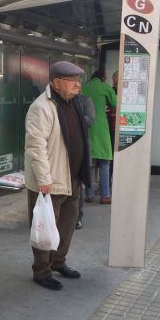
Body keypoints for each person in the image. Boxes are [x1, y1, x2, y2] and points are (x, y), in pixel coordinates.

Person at [24, 61, 91, 291]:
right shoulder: (41, 107)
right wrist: (44, 180)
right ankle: (41, 271)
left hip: (72, 177)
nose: (77, 84)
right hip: (51, 180)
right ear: (55, 82)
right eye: (71, 80)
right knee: (44, 226)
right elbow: (36, 146)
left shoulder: (72, 103)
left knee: (67, 224)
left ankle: (58, 262)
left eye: (78, 80)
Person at [82, 69, 116, 204]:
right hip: (101, 128)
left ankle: (89, 194)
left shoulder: (85, 87)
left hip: (87, 127)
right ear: (103, 77)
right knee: (105, 163)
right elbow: (115, 103)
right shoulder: (105, 87)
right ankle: (105, 195)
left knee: (89, 164)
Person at [74, 90, 95, 230]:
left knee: (77, 184)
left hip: (79, 147)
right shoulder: (54, 102)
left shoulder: (85, 100)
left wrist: (74, 118)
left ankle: (77, 217)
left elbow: (90, 119)